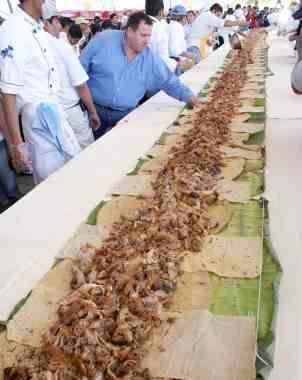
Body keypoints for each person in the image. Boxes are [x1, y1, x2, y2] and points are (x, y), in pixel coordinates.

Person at [80, 11, 200, 139]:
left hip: (125, 116)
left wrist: (190, 97)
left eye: (149, 36)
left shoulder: (150, 58)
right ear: (130, 31)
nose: (147, 41)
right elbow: (79, 71)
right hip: (93, 111)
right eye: (143, 35)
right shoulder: (103, 41)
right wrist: (90, 109)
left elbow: (169, 81)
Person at [0, 0, 81, 184]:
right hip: (37, 119)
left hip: (56, 111)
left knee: (74, 173)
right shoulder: (12, 29)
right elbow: (8, 92)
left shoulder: (37, 27)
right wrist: (17, 144)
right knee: (52, 182)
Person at [44, 14, 100, 148]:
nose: (61, 29)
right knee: (86, 150)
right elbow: (80, 84)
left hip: (46, 114)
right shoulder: (61, 46)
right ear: (52, 22)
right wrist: (93, 112)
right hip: (70, 110)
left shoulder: (29, 44)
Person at [145, 0, 177, 73]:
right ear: (161, 11)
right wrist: (177, 64)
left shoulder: (137, 24)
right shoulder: (158, 27)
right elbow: (162, 59)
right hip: (153, 73)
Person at [167, 5, 196, 73]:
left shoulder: (170, 25)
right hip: (176, 63)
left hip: (171, 62)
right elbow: (174, 51)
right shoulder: (178, 27)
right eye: (186, 16)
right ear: (182, 17)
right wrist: (190, 55)